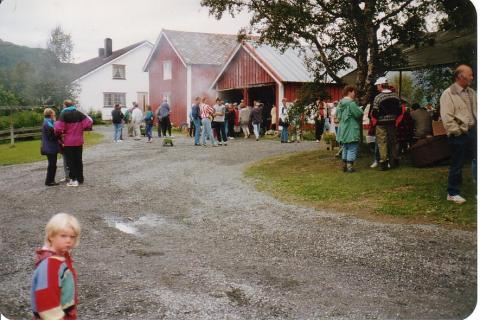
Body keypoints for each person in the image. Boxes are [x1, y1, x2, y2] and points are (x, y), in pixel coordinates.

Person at [31, 213, 80, 320]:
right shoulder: (50, 265)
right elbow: (47, 306)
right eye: (63, 236)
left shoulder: (61, 259)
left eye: (72, 237)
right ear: (51, 236)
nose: (69, 240)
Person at [440, 64, 477, 204]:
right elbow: (447, 117)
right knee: (457, 164)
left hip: (473, 132)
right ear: (460, 77)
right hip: (459, 134)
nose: (472, 77)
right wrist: (457, 132)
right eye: (470, 75)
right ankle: (452, 192)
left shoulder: (471, 92)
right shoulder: (448, 94)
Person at [54, 100, 93, 187]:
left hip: (69, 142)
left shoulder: (63, 114)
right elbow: (89, 123)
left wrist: (60, 134)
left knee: (70, 161)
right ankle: (80, 178)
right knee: (78, 160)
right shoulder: (79, 113)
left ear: (65, 105)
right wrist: (81, 129)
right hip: (79, 141)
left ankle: (74, 180)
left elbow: (58, 128)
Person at [371, 77, 402, 171]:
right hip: (392, 122)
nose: (377, 87)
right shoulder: (396, 96)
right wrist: (393, 117)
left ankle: (384, 162)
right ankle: (395, 160)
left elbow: (375, 112)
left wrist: (377, 117)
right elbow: (400, 110)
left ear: (381, 85)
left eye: (377, 85)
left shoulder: (378, 97)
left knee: (382, 142)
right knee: (393, 141)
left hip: (381, 123)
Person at [336, 86, 364, 173]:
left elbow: (338, 115)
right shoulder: (351, 103)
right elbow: (358, 114)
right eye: (354, 92)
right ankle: (350, 167)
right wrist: (360, 109)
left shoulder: (340, 103)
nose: (355, 94)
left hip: (343, 128)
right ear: (349, 92)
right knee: (352, 147)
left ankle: (344, 165)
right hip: (351, 128)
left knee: (345, 147)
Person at [41, 108, 60, 186]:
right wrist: (60, 136)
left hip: (49, 147)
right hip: (50, 147)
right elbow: (51, 136)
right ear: (51, 114)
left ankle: (50, 180)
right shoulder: (48, 123)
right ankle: (49, 181)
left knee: (52, 164)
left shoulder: (47, 121)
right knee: (52, 164)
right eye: (54, 114)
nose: (54, 115)